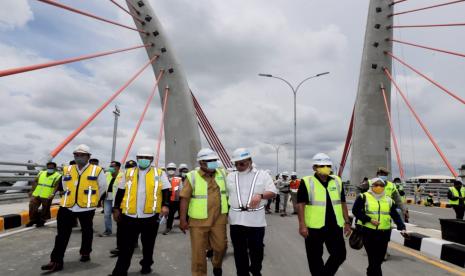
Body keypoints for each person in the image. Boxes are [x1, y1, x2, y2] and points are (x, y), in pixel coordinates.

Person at [41, 144, 107, 272]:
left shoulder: (97, 170)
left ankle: (85, 252)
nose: (79, 157)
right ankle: (55, 261)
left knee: (87, 231)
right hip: (67, 206)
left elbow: (102, 187)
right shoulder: (67, 169)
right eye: (76, 155)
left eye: (82, 155)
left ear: (88, 156)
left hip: (86, 207)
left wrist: (93, 200)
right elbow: (65, 185)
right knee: (61, 235)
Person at [110, 147, 170, 275]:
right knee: (126, 246)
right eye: (141, 158)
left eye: (147, 158)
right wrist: (116, 208)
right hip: (129, 215)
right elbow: (120, 191)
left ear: (152, 160)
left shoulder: (159, 173)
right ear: (137, 159)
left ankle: (146, 265)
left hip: (150, 216)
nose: (144, 160)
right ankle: (119, 272)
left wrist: (165, 205)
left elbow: (165, 190)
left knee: (148, 245)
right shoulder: (128, 172)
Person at [297, 153, 351, 276]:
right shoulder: (307, 182)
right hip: (314, 227)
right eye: (321, 166)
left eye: (327, 165)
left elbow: (342, 203)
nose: (325, 168)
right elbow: (300, 204)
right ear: (314, 167)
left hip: (335, 226)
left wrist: (347, 222)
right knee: (314, 258)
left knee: (340, 255)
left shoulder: (337, 181)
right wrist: (302, 225)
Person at [227, 148, 277, 276]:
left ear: (249, 161)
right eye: (236, 164)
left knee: (257, 251)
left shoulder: (262, 175)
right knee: (239, 252)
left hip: (256, 221)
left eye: (242, 163)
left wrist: (260, 195)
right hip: (236, 220)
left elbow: (273, 192)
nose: (238, 166)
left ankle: (255, 270)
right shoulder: (230, 176)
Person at [179, 148, 228, 276]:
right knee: (198, 254)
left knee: (221, 247)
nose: (213, 163)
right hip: (198, 221)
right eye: (209, 161)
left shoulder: (222, 174)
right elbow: (184, 199)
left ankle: (217, 264)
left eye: (214, 160)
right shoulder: (192, 177)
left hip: (219, 219)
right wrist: (183, 220)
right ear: (201, 163)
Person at [352, 178, 407, 276]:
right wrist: (369, 220)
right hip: (368, 232)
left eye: (381, 185)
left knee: (379, 259)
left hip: (384, 234)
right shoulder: (363, 197)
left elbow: (395, 215)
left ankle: (370, 272)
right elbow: (355, 211)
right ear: (371, 186)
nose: (379, 187)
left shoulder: (389, 200)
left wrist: (402, 227)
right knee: (373, 260)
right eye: (376, 185)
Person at [110, 160, 137, 257]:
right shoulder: (121, 177)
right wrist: (115, 207)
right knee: (120, 228)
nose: (130, 169)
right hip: (121, 206)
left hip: (132, 207)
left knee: (134, 227)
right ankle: (119, 247)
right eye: (128, 167)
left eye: (132, 167)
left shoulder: (139, 178)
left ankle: (134, 242)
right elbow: (116, 192)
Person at [26, 162, 62, 227]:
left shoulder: (58, 175)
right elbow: (35, 181)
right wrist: (32, 190)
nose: (49, 169)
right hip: (37, 193)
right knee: (32, 206)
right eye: (48, 167)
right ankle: (33, 220)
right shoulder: (41, 173)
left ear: (55, 168)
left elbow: (57, 186)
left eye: (51, 168)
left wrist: (53, 193)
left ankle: (42, 221)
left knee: (45, 209)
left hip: (47, 194)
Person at [98, 161, 123, 237]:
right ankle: (108, 231)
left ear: (118, 167)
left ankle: (121, 231)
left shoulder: (122, 176)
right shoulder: (106, 174)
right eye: (110, 166)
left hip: (117, 198)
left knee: (119, 215)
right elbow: (102, 185)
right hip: (107, 197)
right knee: (106, 215)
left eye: (113, 166)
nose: (111, 167)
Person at [163, 163, 188, 235]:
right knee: (170, 214)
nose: (171, 170)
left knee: (183, 213)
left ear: (176, 170)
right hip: (168, 199)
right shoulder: (164, 178)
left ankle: (184, 225)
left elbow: (181, 189)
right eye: (169, 169)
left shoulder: (178, 179)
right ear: (167, 170)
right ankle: (168, 227)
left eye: (173, 169)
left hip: (177, 199)